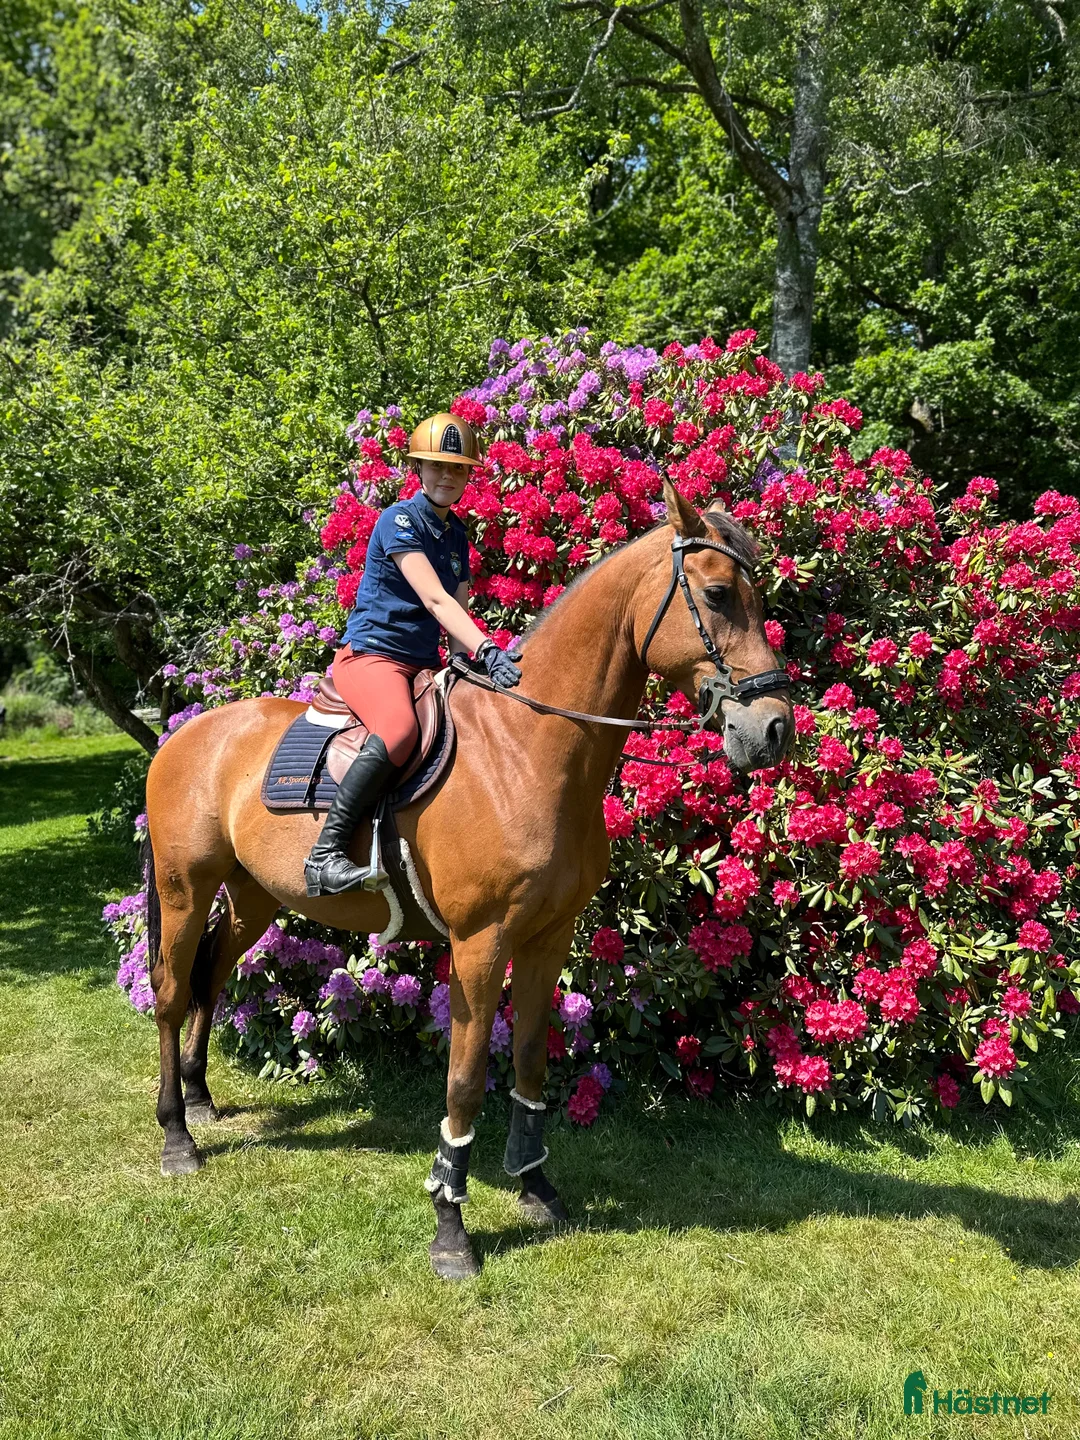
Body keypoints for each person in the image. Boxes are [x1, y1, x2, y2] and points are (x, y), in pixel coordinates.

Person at [304, 412, 523, 897]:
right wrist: (489, 647)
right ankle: (325, 855)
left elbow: (459, 609)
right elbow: (436, 599)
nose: (447, 476)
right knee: (399, 730)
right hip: (373, 658)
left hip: (423, 664)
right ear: (418, 469)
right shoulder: (398, 519)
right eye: (436, 466)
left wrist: (469, 659)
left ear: (468, 476)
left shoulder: (457, 535)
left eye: (458, 469)